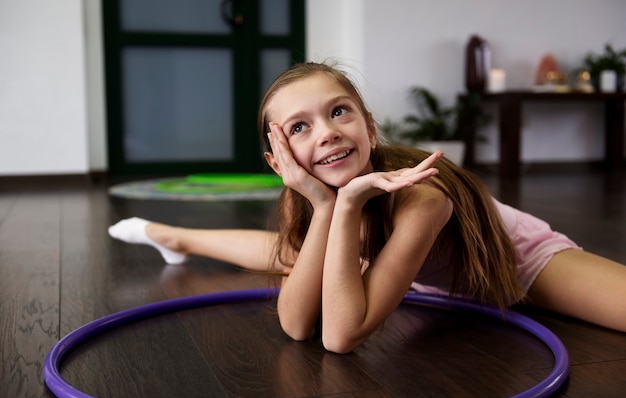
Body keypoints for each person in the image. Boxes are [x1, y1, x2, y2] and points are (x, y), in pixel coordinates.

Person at [109, 62, 626, 354]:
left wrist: (349, 203)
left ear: (369, 126)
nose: (328, 133)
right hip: (410, 267)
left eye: (339, 112)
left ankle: (176, 236)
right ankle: (173, 235)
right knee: (294, 252)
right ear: (279, 159)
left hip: (518, 262)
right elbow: (296, 325)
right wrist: (330, 206)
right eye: (299, 127)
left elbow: (339, 336)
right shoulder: (305, 196)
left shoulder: (424, 198)